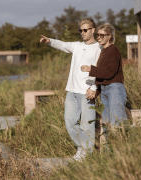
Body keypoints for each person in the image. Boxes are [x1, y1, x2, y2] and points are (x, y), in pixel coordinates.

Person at [40, 18, 101, 161]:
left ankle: (87, 154)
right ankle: (83, 148)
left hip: (87, 92)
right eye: (80, 30)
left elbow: (100, 70)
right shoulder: (77, 46)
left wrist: (94, 88)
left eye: (85, 30)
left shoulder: (99, 48)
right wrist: (49, 41)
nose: (83, 33)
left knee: (87, 126)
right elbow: (63, 45)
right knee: (70, 122)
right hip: (72, 92)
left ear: (93, 30)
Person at [81, 23, 127, 131]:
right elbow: (103, 76)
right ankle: (108, 147)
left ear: (109, 36)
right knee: (106, 124)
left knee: (117, 124)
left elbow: (109, 73)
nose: (99, 37)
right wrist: (96, 92)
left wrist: (91, 69)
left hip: (114, 89)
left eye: (102, 35)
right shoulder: (103, 51)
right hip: (105, 89)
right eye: (98, 35)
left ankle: (121, 146)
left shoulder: (113, 50)